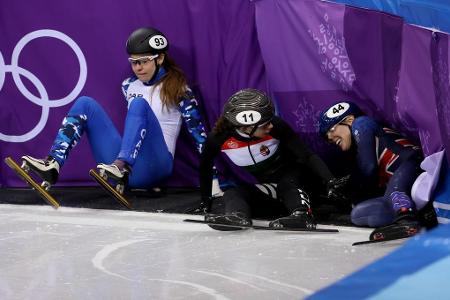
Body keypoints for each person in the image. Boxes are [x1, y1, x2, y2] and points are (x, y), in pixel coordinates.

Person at [21, 27, 209, 191]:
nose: (138, 68)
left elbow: (200, 137)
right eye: (134, 62)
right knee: (85, 103)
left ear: (159, 58)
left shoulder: (179, 89)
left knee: (138, 103)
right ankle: (53, 164)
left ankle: (122, 166)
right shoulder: (128, 85)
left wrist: (214, 182)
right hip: (127, 167)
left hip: (157, 165)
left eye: (144, 61)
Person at [199, 89, 345, 230]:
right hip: (274, 190)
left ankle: (302, 215)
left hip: (300, 183)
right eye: (265, 124)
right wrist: (206, 201)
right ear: (247, 127)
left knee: (287, 181)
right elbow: (205, 168)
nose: (271, 125)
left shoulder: (276, 126)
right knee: (232, 192)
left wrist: (330, 180)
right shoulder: (218, 138)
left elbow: (307, 155)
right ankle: (237, 216)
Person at [318, 101, 426, 239]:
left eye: (331, 129)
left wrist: (349, 184)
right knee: (357, 214)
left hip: (412, 164)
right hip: (401, 180)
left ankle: (406, 218)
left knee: (395, 190)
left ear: (350, 120)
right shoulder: (359, 144)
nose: (329, 137)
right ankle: (415, 215)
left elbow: (368, 169)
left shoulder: (361, 123)